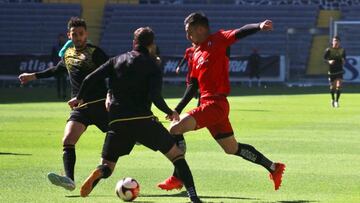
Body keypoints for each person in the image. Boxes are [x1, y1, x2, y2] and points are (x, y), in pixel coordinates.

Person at [68, 27, 202, 203]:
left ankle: (100, 171)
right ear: (151, 44)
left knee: (108, 165)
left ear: (134, 43)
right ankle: (193, 196)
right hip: (144, 122)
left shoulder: (116, 60)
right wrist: (170, 112)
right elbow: (155, 97)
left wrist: (79, 98)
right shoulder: (153, 65)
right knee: (177, 156)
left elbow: (89, 79)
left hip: (117, 122)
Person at [157, 12, 285, 191]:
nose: (187, 36)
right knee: (231, 148)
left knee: (175, 129)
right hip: (210, 107)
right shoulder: (195, 53)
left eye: (189, 31)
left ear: (201, 29)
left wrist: (259, 25)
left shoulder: (218, 40)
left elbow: (240, 32)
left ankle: (177, 177)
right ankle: (274, 167)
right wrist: (176, 109)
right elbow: (193, 86)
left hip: (215, 104)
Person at [18, 17, 109, 191]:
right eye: (74, 34)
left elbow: (112, 71)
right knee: (68, 140)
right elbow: (56, 70)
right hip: (79, 108)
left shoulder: (95, 52)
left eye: (81, 34)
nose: (78, 37)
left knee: (124, 133)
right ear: (69, 35)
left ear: (86, 34)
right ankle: (69, 179)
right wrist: (33, 76)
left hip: (100, 105)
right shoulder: (67, 54)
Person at [324, 36, 346, 108]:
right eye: (334, 40)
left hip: (339, 70)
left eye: (337, 41)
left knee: (339, 85)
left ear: (339, 42)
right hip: (332, 71)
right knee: (332, 88)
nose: (336, 42)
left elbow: (344, 58)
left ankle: (337, 101)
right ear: (332, 42)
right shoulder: (328, 50)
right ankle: (332, 99)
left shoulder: (342, 50)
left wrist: (343, 61)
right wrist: (329, 61)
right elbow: (324, 59)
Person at [51, 33, 68, 99]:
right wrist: (52, 64)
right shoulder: (55, 47)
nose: (61, 39)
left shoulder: (66, 47)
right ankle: (59, 94)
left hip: (64, 66)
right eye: (60, 38)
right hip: (57, 66)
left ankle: (64, 94)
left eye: (62, 38)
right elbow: (52, 57)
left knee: (64, 81)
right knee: (58, 81)